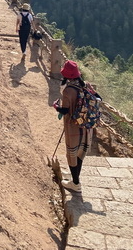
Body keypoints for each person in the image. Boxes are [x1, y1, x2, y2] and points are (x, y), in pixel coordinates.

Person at [53, 60, 92, 193]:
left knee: (72, 153)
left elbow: (65, 110)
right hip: (86, 126)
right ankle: (76, 178)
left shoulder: (68, 91)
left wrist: (56, 107)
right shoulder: (85, 85)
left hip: (73, 127)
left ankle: (75, 183)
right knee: (80, 152)